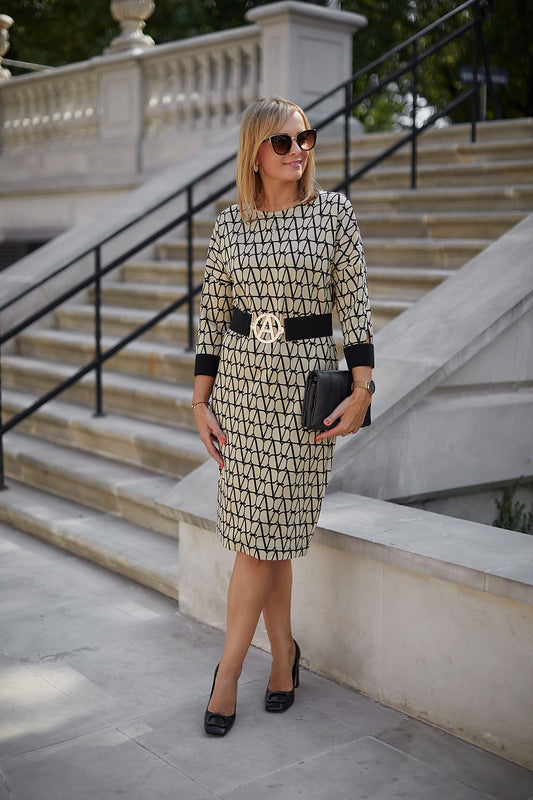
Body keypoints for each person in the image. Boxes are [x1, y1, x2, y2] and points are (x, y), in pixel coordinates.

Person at [192, 96, 374, 736]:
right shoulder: (229, 226)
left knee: (260, 540)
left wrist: (364, 388)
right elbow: (213, 318)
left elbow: (353, 305)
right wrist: (199, 400)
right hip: (241, 395)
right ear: (255, 153)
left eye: (306, 140)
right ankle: (284, 660)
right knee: (269, 539)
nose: (299, 151)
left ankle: (227, 676)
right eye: (284, 143)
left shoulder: (332, 215)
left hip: (303, 401)